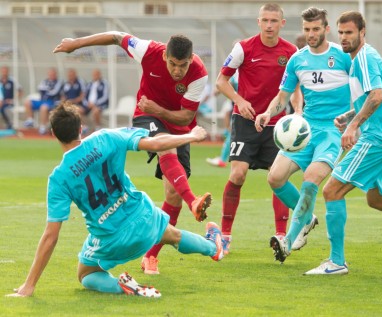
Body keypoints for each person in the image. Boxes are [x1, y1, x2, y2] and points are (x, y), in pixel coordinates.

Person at [8, 102, 224, 298]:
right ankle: (214, 248)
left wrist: (29, 284)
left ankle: (123, 287)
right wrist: (191, 136)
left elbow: (50, 236)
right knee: (172, 235)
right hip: (142, 215)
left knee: (86, 274)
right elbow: (157, 144)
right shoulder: (106, 137)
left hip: (111, 237)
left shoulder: (59, 177)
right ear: (80, 128)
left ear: (54, 133)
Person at [53, 31, 212, 275]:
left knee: (172, 195)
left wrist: (159, 109)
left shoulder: (199, 74)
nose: (177, 70)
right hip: (145, 115)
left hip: (177, 124)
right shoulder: (149, 51)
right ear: (165, 56)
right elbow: (117, 37)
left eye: (183, 65)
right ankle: (194, 202)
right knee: (164, 146)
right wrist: (76, 43)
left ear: (191, 59)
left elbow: (187, 116)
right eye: (172, 63)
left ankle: (151, 256)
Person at [301, 11, 382, 275]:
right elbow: (370, 98)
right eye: (341, 33)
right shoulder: (360, 57)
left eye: (349, 33)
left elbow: (379, 96)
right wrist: (349, 115)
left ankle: (336, 262)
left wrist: (354, 125)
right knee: (377, 199)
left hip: (377, 138)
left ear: (362, 32)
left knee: (331, 191)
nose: (344, 38)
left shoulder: (364, 58)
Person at [255, 7, 351, 263]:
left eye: (316, 29)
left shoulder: (343, 57)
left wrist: (353, 121)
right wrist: (267, 113)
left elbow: (362, 93)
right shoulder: (297, 60)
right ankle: (308, 218)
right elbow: (283, 96)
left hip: (333, 132)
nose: (310, 34)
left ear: (326, 29)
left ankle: (288, 239)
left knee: (311, 179)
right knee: (275, 178)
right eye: (307, 29)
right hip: (307, 130)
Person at [215, 3, 298, 254]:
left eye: (274, 21)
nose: (269, 25)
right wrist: (240, 101)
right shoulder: (243, 48)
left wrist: (299, 112)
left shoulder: (291, 52)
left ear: (282, 24)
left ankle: (281, 237)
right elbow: (221, 81)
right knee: (238, 175)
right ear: (258, 22)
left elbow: (294, 88)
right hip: (245, 122)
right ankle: (225, 236)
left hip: (277, 126)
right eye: (265, 20)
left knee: (278, 178)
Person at [206, 72, 238, 168]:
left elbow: (225, 84)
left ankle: (222, 159)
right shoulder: (237, 73)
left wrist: (216, 91)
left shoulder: (237, 74)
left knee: (232, 134)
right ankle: (223, 158)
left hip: (240, 108)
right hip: (238, 106)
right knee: (232, 133)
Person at [23, 67, 63, 134]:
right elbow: (40, 88)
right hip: (42, 100)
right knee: (27, 102)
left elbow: (54, 92)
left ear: (56, 74)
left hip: (51, 102)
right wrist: (47, 90)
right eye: (50, 74)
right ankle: (30, 120)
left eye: (53, 74)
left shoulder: (59, 82)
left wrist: (46, 90)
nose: (51, 75)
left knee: (43, 107)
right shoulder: (44, 81)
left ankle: (42, 127)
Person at [0, 66, 22, 130]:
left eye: (5, 71)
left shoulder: (12, 80)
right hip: (1, 102)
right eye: (3, 71)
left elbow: (20, 91)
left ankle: (9, 124)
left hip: (9, 102)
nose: (4, 73)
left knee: (3, 108)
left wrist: (13, 100)